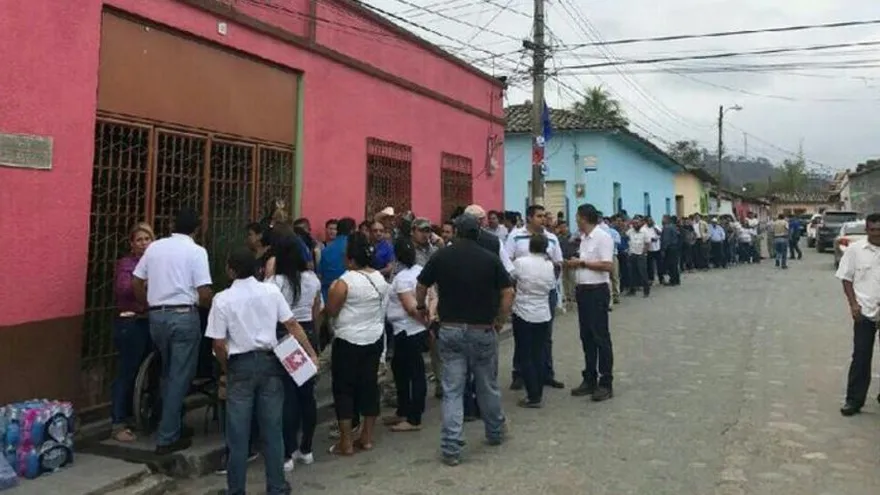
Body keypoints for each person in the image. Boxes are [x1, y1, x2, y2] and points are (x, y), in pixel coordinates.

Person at [206, 247, 318, 495]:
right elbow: (291, 324)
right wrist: (310, 353)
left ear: (230, 270)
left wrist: (226, 368)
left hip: (240, 364)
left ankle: (236, 489)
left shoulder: (222, 299)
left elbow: (218, 343)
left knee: (237, 433)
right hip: (270, 363)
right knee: (272, 429)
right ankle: (276, 486)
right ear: (257, 269)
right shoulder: (271, 291)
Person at [416, 214, 513, 466]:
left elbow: (421, 284)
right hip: (482, 329)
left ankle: (451, 446)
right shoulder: (490, 259)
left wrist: (420, 307)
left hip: (450, 329)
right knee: (486, 385)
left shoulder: (441, 256)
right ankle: (494, 431)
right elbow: (508, 291)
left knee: (452, 390)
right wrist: (501, 319)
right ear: (478, 233)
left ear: (457, 232)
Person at [132, 207, 213, 455]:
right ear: (197, 229)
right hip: (182, 317)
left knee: (167, 371)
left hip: (157, 317)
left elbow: (136, 280)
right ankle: (167, 437)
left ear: (171, 226)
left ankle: (171, 423)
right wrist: (209, 305)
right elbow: (204, 292)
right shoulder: (197, 252)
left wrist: (146, 303)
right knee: (180, 376)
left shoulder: (155, 248)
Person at [324, 232, 389, 456]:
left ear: (351, 259)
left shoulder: (345, 282)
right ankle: (367, 437)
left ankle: (346, 442)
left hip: (348, 341)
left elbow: (332, 311)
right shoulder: (379, 279)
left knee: (344, 390)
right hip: (373, 338)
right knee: (369, 386)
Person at [265, 235, 323, 472]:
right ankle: (306, 448)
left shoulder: (273, 284)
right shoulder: (312, 280)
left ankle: (287, 451)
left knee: (288, 396)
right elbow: (316, 310)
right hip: (307, 332)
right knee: (306, 395)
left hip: (285, 337)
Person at [505, 204, 565, 391]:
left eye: (544, 216)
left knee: (545, 335)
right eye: (539, 216)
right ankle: (520, 373)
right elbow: (507, 263)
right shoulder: (515, 236)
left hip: (546, 292)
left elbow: (558, 263)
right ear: (529, 217)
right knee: (522, 335)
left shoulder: (552, 238)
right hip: (522, 293)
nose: (543, 219)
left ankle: (546, 373)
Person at [110, 222, 155, 442]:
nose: (144, 244)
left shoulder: (157, 263)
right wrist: (144, 282)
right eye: (139, 240)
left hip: (150, 322)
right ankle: (118, 422)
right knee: (127, 371)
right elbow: (124, 288)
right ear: (132, 244)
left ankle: (143, 416)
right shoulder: (127, 264)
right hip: (131, 324)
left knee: (152, 370)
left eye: (148, 239)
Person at [567, 204, 615, 402]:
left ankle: (606, 381)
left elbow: (607, 265)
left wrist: (582, 263)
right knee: (586, 336)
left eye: (578, 216)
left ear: (584, 218)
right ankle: (590, 378)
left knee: (600, 336)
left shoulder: (602, 237)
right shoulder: (584, 239)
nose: (576, 220)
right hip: (583, 290)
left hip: (597, 291)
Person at [835, 212, 880, 417]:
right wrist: (853, 304)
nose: (877, 234)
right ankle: (854, 400)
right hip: (864, 312)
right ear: (867, 230)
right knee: (861, 356)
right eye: (873, 230)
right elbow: (846, 278)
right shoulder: (855, 251)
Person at [384, 238, 429, 432]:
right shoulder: (419, 271)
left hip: (408, 329)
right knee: (400, 368)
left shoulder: (402, 278)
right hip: (409, 330)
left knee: (413, 372)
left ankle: (414, 418)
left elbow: (411, 308)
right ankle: (403, 409)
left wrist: (426, 323)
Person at [511, 235, 557, 408]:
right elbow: (551, 286)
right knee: (538, 353)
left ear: (530, 246)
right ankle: (538, 391)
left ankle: (533, 395)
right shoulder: (549, 265)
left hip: (523, 311)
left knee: (525, 354)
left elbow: (511, 278)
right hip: (543, 312)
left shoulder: (521, 262)